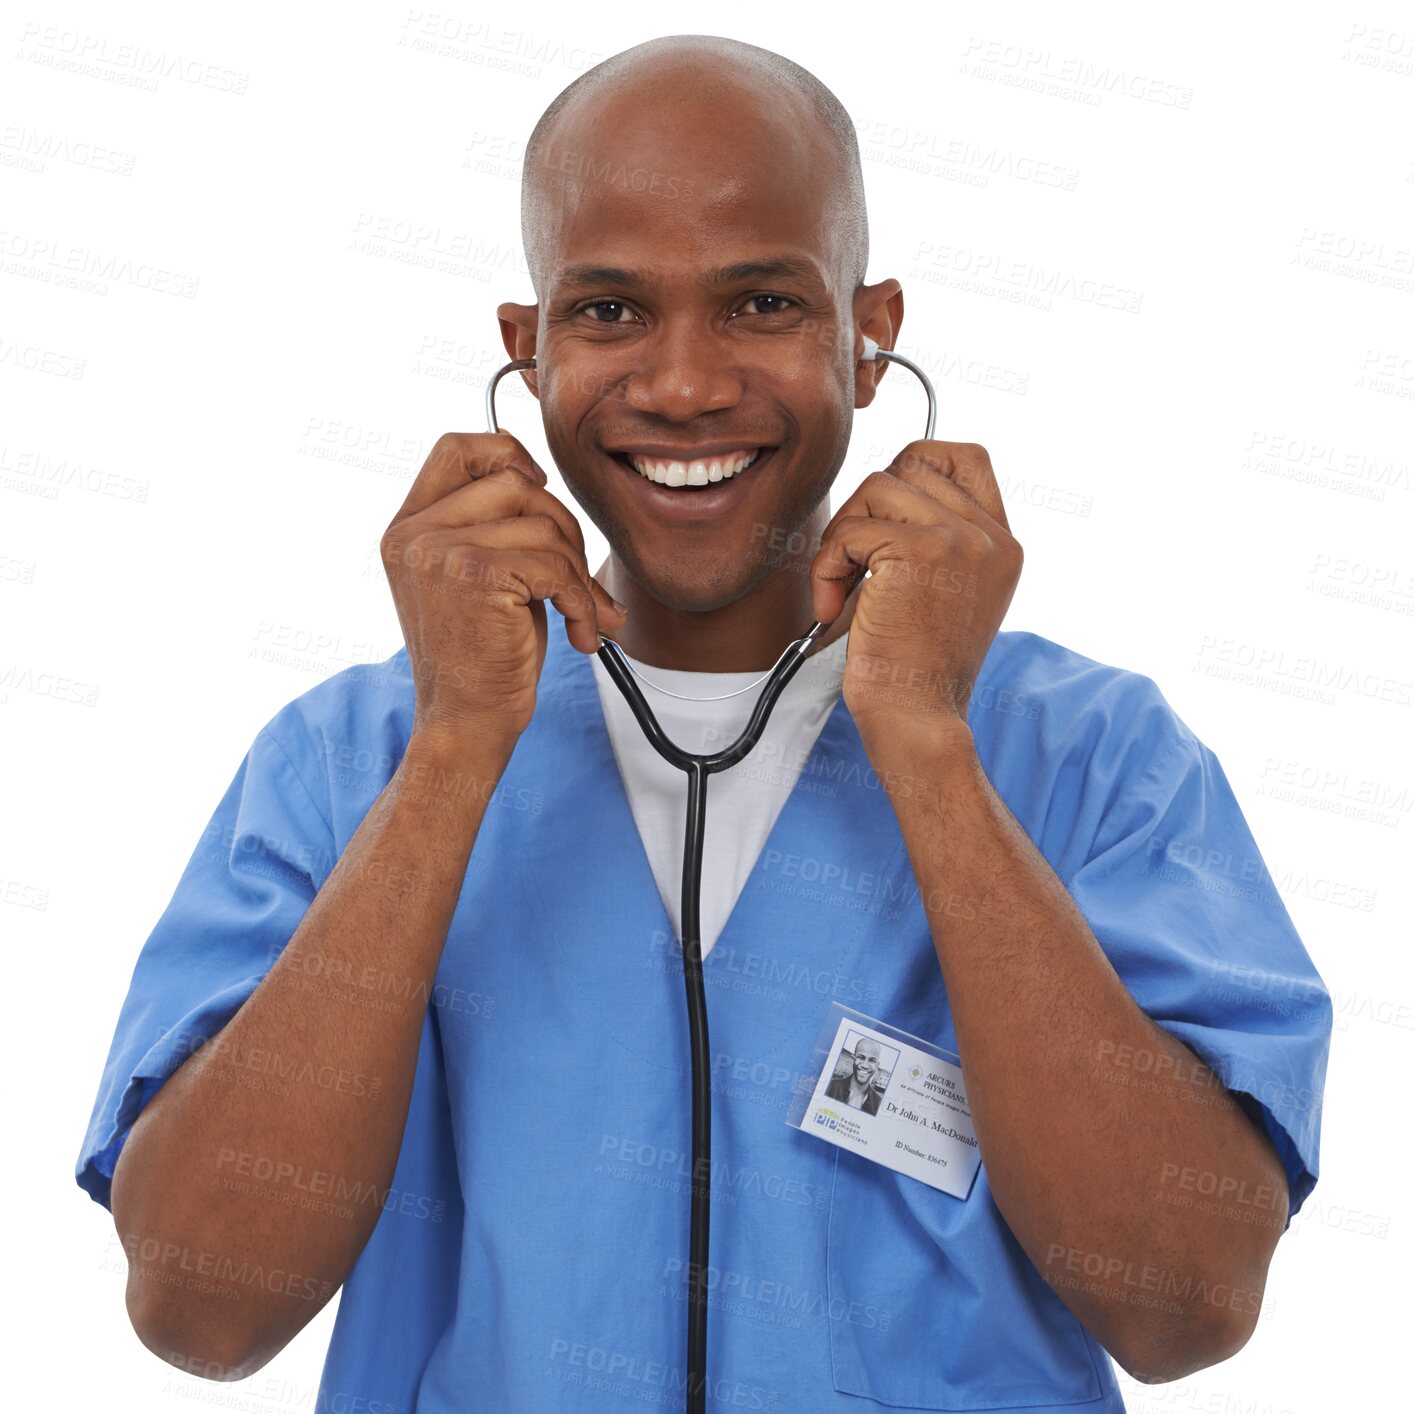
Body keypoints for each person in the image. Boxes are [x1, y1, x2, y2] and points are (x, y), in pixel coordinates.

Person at [77, 33, 1332, 1414]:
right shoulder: (351, 759)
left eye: (759, 304)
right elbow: (198, 1306)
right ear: (526, 345)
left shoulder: (1093, 758)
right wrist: (452, 754)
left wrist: (923, 741)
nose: (680, 385)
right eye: (609, 310)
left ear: (871, 337)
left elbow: (1184, 1303)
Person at [825, 1040, 884, 1115]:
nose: (865, 1065)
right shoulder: (830, 1086)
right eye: (861, 1057)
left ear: (877, 1065)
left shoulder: (878, 1103)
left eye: (872, 1061)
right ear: (854, 1058)